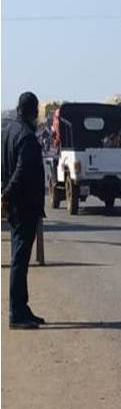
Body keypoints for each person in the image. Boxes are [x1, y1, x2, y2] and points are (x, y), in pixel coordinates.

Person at [2, 91, 47, 329]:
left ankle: (22, 307)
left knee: (19, 258)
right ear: (33, 111)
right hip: (25, 205)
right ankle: (16, 313)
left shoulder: (8, 132)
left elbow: (5, 167)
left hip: (16, 205)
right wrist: (7, 193)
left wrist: (5, 193)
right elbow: (21, 172)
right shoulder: (27, 137)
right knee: (20, 260)